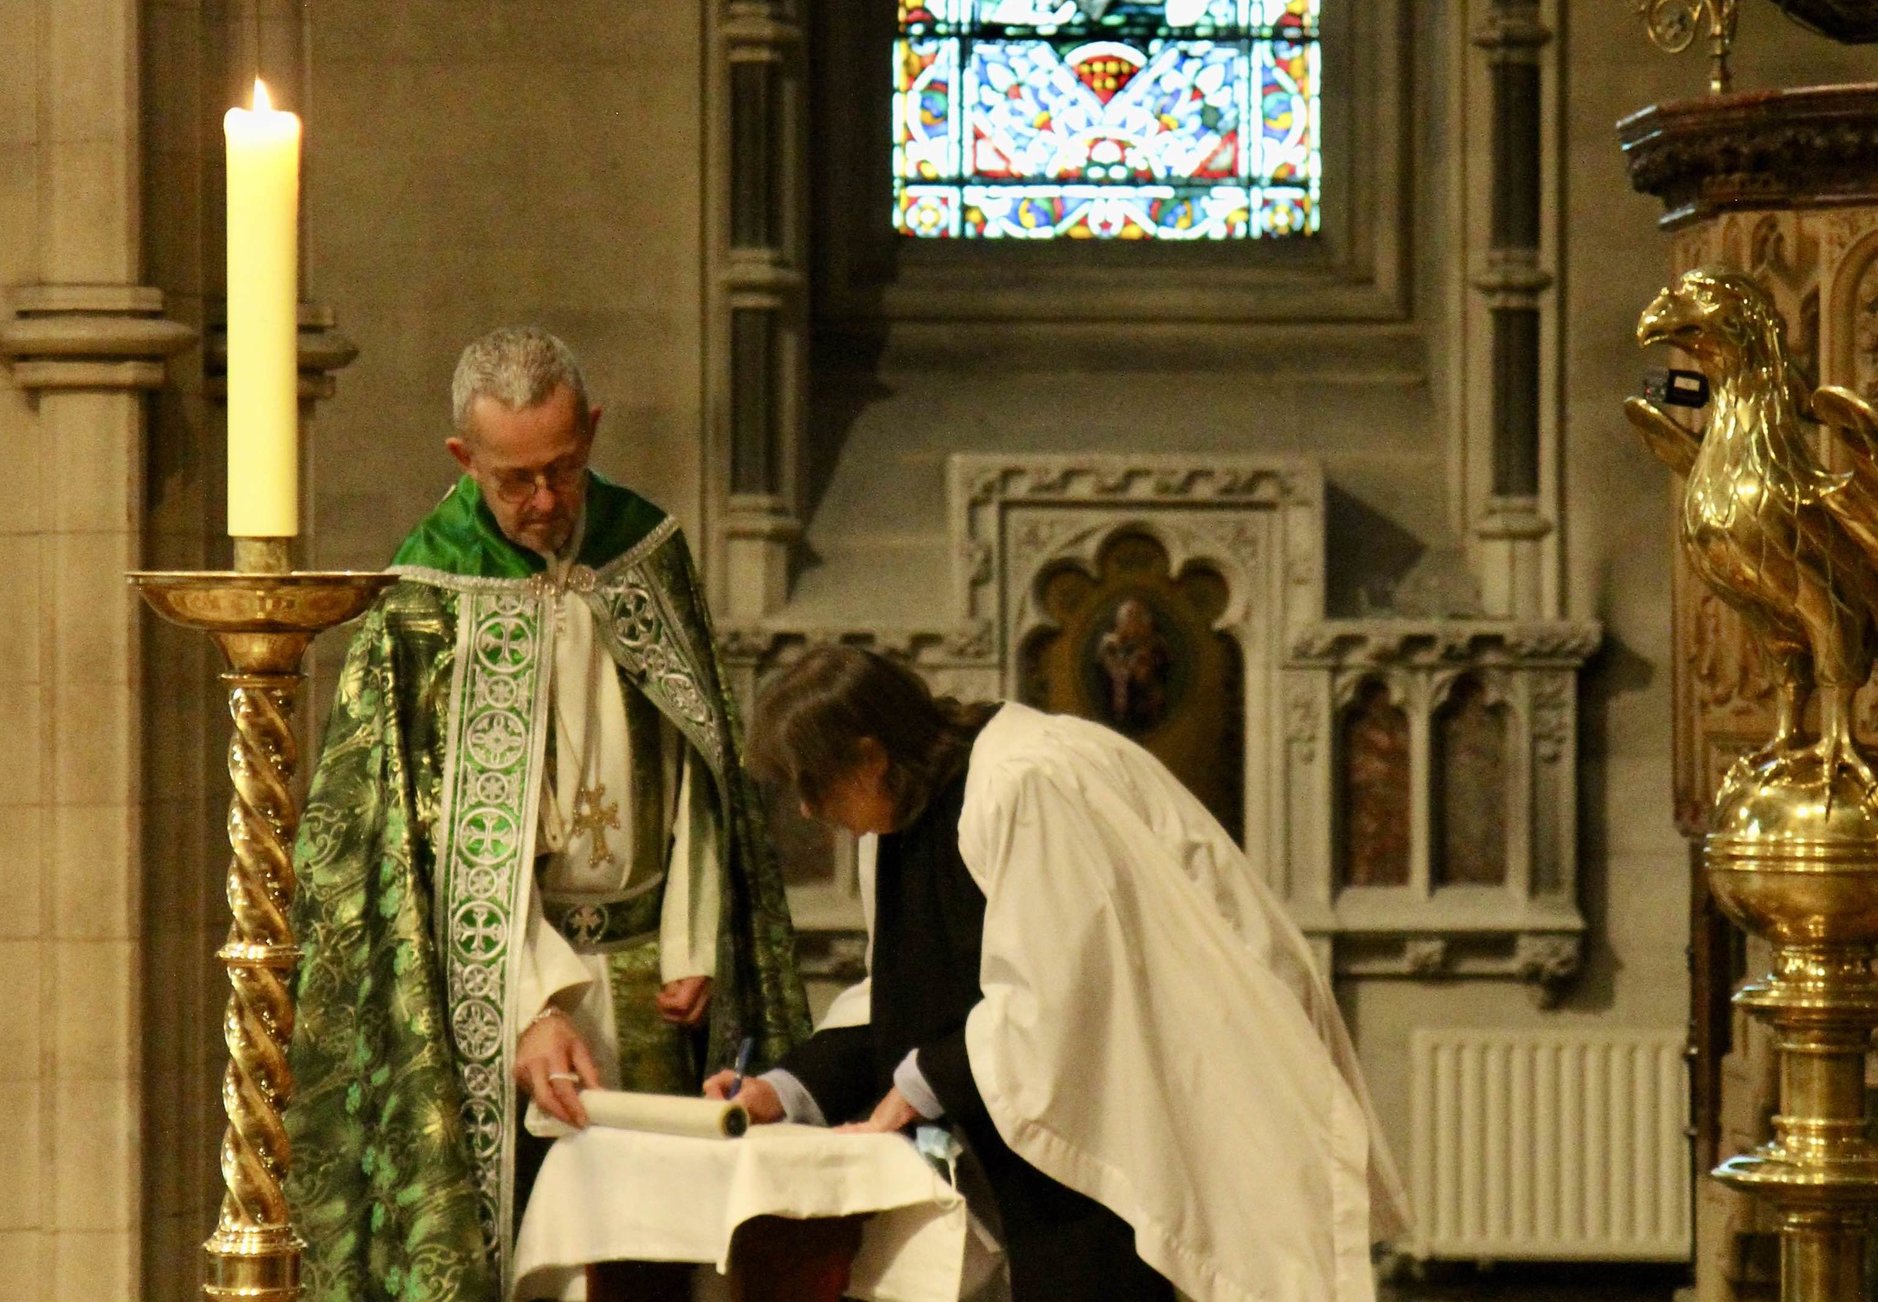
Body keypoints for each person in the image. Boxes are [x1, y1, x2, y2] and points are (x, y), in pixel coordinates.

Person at [286, 326, 808, 1302]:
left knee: (668, 1264)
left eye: (564, 470)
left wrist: (698, 934)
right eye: (514, 478)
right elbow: (414, 852)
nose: (542, 502)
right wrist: (532, 1004)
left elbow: (703, 767)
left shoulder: (645, 551)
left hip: (657, 971)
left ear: (593, 433)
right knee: (539, 1258)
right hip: (511, 993)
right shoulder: (427, 592)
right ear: (463, 460)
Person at [709, 646, 1410, 1302]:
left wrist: (916, 1088)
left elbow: (1066, 999)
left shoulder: (1026, 782)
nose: (807, 809)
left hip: (1136, 1099)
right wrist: (784, 1088)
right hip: (1049, 1116)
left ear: (870, 758)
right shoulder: (902, 816)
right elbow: (901, 992)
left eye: (812, 784)